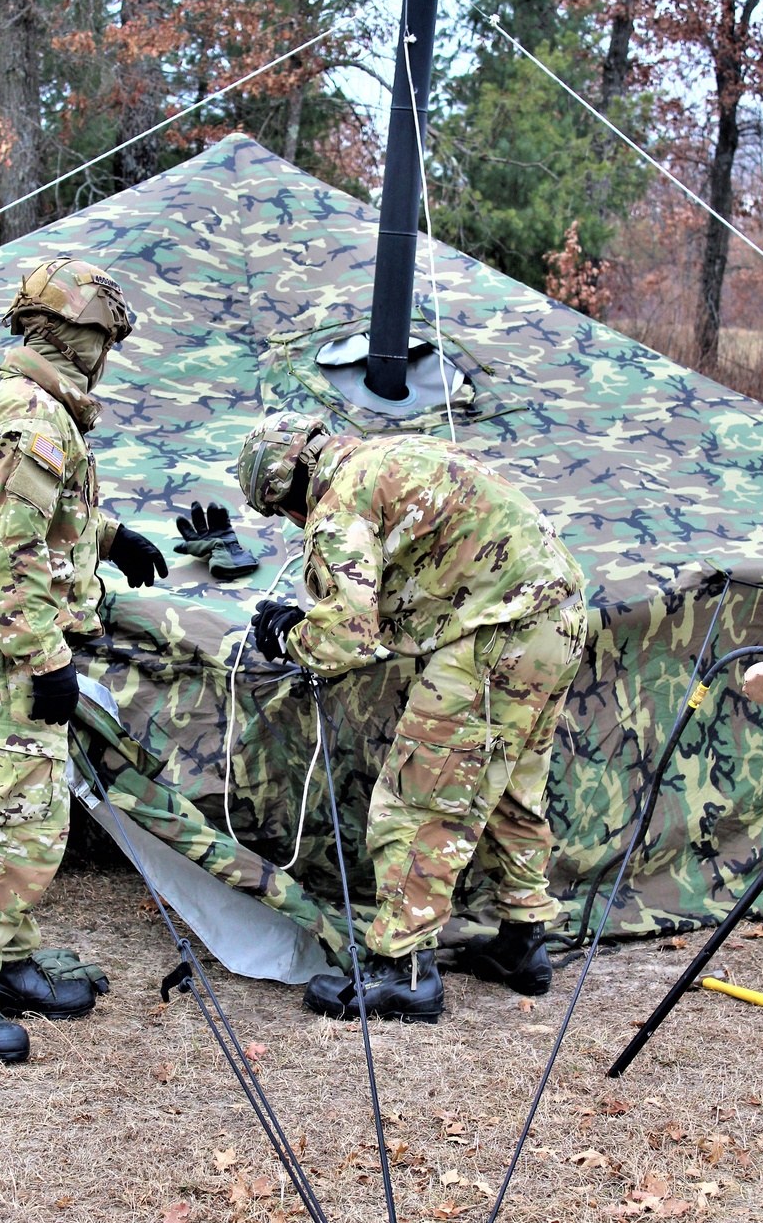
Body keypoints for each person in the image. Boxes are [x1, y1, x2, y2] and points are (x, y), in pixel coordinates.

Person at [238, 411, 587, 1022]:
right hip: (559, 615)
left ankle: (403, 970)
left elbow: (347, 634)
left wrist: (290, 634)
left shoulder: (337, 503)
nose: (292, 523)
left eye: (282, 510)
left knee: (419, 796)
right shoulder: (392, 455)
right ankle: (523, 938)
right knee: (511, 784)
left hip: (497, 632)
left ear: (285, 486)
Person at [0, 257, 169, 1063]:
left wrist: (106, 534)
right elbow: (0, 554)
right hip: (1, 648)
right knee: (23, 823)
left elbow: (27, 519)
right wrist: (43, 659)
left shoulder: (35, 408)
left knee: (3, 808)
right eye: (105, 339)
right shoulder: (34, 418)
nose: (109, 356)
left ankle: (7, 959)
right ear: (79, 336)